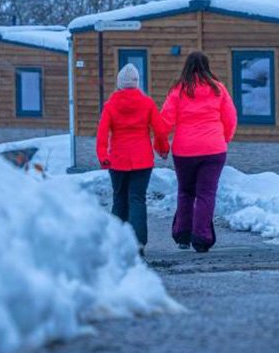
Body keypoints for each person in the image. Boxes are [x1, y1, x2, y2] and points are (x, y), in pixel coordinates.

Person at [160, 51, 237, 253]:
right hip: (213, 149)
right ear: (207, 66)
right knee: (206, 193)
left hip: (184, 150)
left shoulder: (178, 90)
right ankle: (201, 238)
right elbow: (230, 117)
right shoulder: (218, 88)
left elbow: (165, 121)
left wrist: (161, 146)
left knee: (185, 192)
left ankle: (183, 235)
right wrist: (224, 138)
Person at [96, 63, 169, 256]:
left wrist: (103, 157)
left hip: (118, 160)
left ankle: (116, 241)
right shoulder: (147, 103)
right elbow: (160, 130)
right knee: (137, 199)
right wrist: (162, 149)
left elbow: (102, 134)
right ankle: (138, 242)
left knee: (119, 198)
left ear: (119, 84)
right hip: (142, 160)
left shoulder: (110, 105)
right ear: (136, 83)